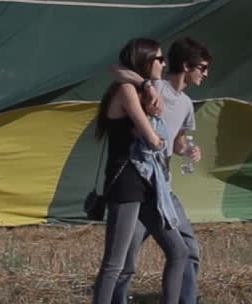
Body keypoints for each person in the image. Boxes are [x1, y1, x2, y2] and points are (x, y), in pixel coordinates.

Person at [109, 37, 211, 304]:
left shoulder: (187, 104)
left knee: (187, 249)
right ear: (187, 66)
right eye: (203, 66)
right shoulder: (155, 86)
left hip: (164, 188)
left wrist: (188, 150)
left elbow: (177, 142)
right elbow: (118, 71)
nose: (206, 73)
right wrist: (145, 85)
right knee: (125, 260)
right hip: (140, 183)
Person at [91, 38, 188, 304]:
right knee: (115, 262)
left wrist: (148, 87)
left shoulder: (139, 87)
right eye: (160, 58)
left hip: (147, 181)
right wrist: (152, 125)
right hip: (127, 182)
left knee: (179, 251)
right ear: (146, 61)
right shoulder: (124, 90)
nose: (165, 63)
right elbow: (154, 139)